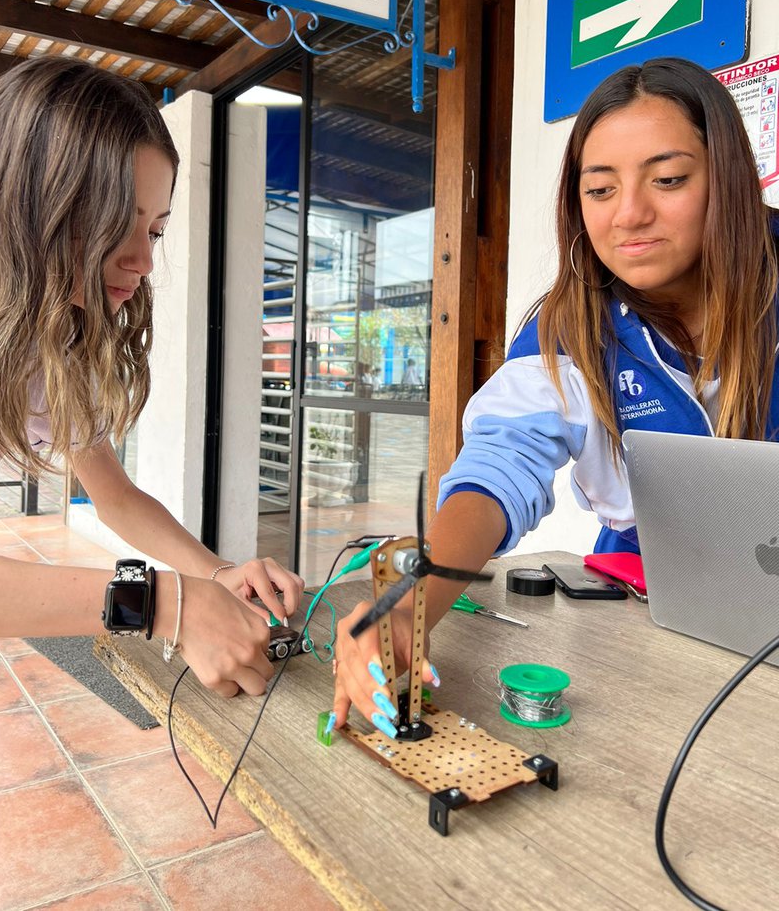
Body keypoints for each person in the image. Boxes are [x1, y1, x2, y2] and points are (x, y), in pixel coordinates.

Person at [330, 55, 779, 733]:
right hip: (646, 599)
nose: (630, 214)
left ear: (732, 181)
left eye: (669, 179)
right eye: (599, 190)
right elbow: (500, 464)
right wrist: (406, 608)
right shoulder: (573, 324)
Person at [0, 57, 304, 699]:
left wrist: (216, 574)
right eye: (115, 221)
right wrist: (163, 604)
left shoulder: (49, 339)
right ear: (27, 199)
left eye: (154, 229)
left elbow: (116, 496)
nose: (143, 260)